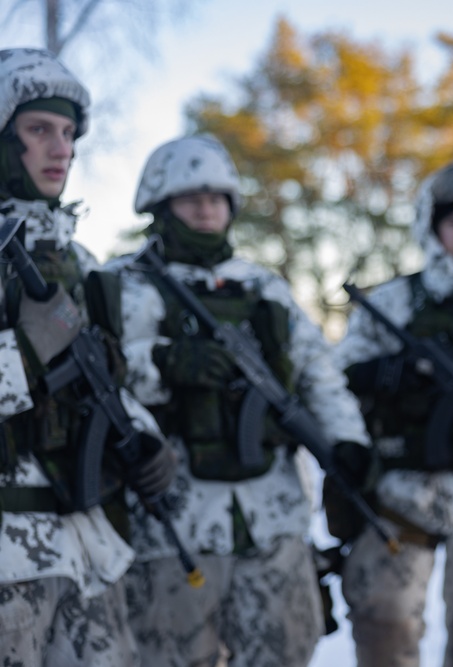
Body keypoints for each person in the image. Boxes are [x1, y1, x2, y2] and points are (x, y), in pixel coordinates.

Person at [109, 134, 371, 667]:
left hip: (272, 516)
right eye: (191, 198)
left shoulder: (265, 289)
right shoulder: (124, 285)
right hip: (173, 523)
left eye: (217, 198)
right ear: (161, 206)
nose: (207, 209)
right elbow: (102, 378)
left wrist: (347, 440)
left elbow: (317, 372)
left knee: (285, 649)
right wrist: (163, 363)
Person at [0, 47, 176, 666]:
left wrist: (145, 439)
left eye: (70, 133)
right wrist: (25, 355)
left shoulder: (81, 265)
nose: (62, 148)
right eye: (39, 129)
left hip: (85, 551)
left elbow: (110, 375)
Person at [330, 159, 453, 667]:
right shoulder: (395, 301)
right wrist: (390, 373)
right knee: (383, 621)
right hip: (401, 491)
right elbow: (337, 378)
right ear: (434, 227)